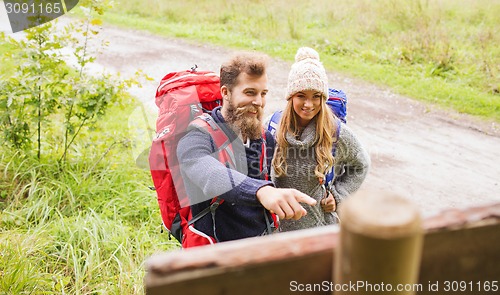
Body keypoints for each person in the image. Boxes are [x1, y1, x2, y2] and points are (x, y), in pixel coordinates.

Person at [176, 51, 317, 243]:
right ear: (225, 92)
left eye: (263, 94)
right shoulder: (198, 136)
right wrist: (261, 191)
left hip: (260, 248)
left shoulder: (264, 137)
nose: (258, 102)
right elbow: (207, 173)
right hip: (215, 256)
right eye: (250, 92)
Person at [271, 47, 370, 232]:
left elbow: (361, 164)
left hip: (318, 229)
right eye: (301, 96)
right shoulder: (273, 126)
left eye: (316, 96)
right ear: (291, 96)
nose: (309, 104)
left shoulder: (336, 132)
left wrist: (339, 195)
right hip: (276, 231)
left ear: (323, 98)